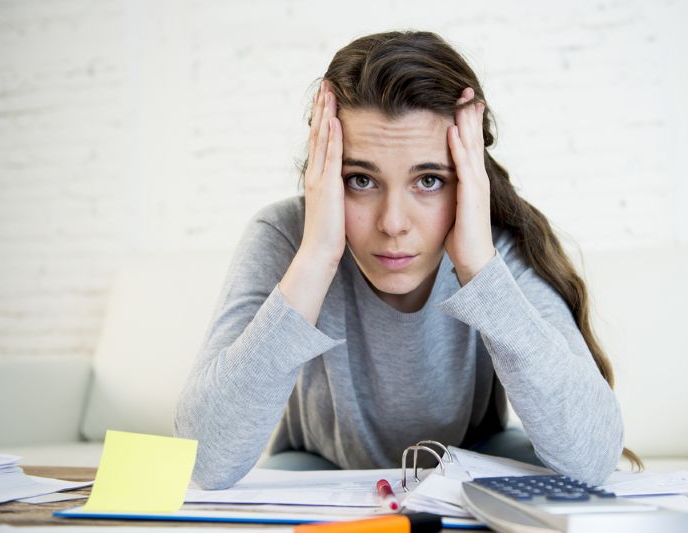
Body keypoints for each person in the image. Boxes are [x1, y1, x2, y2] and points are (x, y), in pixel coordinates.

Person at [174, 30, 641, 491]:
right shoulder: (285, 237)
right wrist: (315, 257)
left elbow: (592, 458)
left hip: (473, 455)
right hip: (318, 465)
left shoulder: (499, 247)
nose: (393, 223)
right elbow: (206, 461)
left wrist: (480, 268)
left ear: (470, 179)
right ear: (323, 175)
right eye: (360, 180)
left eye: (429, 181)